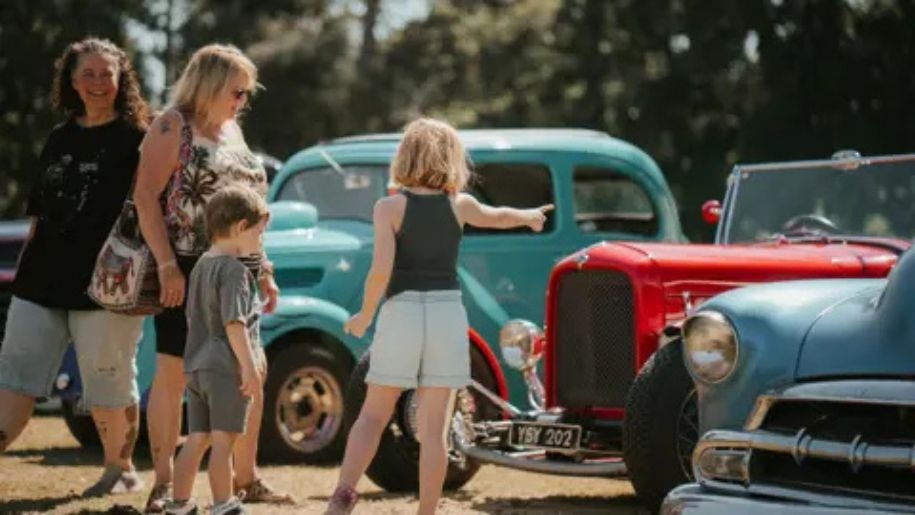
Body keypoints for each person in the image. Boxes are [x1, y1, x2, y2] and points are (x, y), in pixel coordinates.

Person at [325, 117, 554, 515]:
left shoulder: (389, 207)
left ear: (406, 157)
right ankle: (427, 510)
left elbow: (380, 270)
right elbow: (496, 215)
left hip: (403, 312)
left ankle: (343, 495)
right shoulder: (459, 205)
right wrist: (529, 216)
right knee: (435, 428)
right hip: (447, 313)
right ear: (451, 160)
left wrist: (364, 313)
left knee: (374, 413)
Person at [132, 44, 291, 512]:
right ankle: (164, 483)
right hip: (187, 267)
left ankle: (246, 478)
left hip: (239, 267)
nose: (243, 101)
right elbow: (144, 198)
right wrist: (165, 266)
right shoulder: (171, 125)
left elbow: (248, 209)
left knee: (249, 371)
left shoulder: (232, 130)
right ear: (210, 84)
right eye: (236, 91)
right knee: (175, 372)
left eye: (247, 93)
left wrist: (264, 269)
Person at [0, 37, 150, 495]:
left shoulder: (139, 140)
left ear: (121, 79)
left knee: (109, 382)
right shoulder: (59, 138)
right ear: (71, 79)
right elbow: (39, 216)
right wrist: (24, 272)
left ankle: (118, 471)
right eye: (88, 73)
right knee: (14, 379)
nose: (98, 82)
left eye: (107, 73)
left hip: (108, 283)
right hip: (41, 280)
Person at [164, 185, 271, 515]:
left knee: (198, 438)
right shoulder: (235, 271)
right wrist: (250, 369)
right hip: (225, 367)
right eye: (258, 233)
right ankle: (224, 504)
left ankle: (178, 504)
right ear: (240, 227)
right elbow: (234, 324)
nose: (259, 241)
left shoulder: (199, 268)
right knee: (224, 441)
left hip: (196, 366)